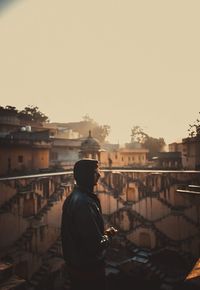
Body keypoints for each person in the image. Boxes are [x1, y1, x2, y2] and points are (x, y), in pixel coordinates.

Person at [61, 158, 117, 290]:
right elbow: (95, 245)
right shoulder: (84, 203)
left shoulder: (75, 197)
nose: (99, 175)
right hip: (87, 268)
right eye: (95, 172)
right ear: (87, 175)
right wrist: (109, 235)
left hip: (77, 265)